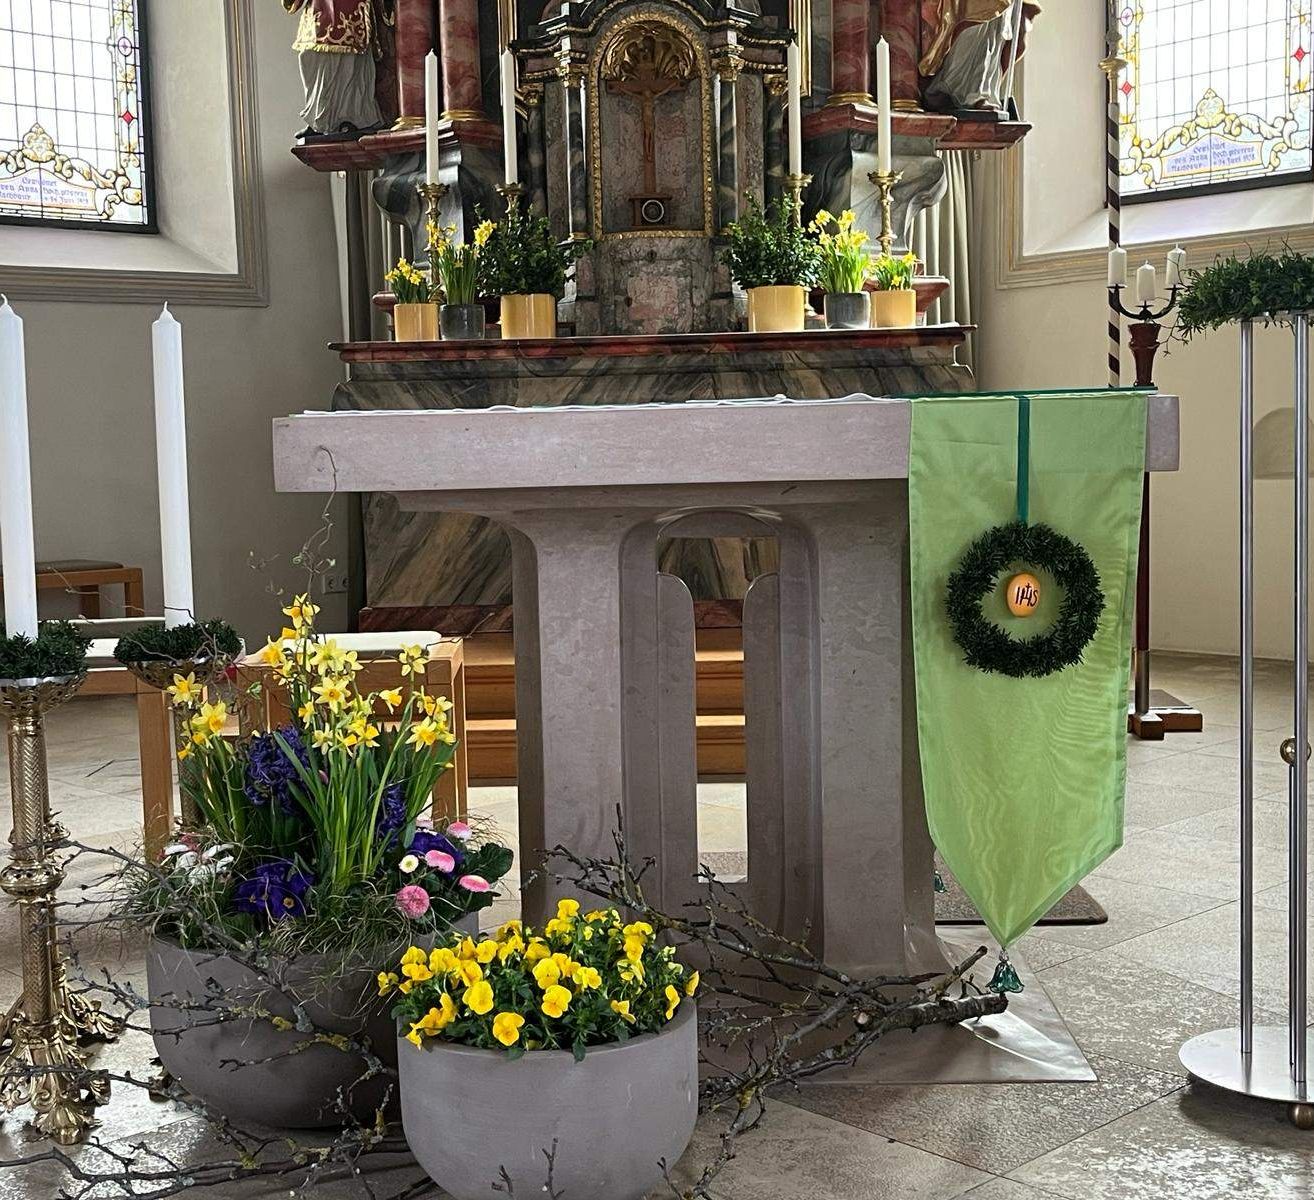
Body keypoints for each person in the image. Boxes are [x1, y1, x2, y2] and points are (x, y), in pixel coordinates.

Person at [282, 0, 389, 139]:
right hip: (318, 11)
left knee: (346, 62)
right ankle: (319, 120)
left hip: (348, 9)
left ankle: (351, 118)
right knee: (309, 57)